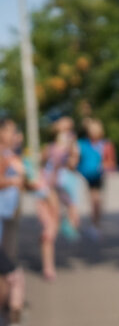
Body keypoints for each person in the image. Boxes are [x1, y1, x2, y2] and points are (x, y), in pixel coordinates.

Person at [0, 118, 26, 322]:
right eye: (10, 130)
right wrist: (14, 180)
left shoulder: (10, 153)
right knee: (8, 270)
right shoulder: (2, 154)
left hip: (8, 213)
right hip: (2, 213)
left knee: (8, 266)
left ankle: (11, 309)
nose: (14, 134)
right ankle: (10, 312)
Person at [42, 116, 82, 242]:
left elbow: (74, 159)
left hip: (63, 176)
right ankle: (60, 225)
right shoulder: (56, 142)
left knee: (71, 204)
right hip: (56, 177)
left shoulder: (70, 140)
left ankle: (66, 225)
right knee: (67, 204)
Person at [76, 118, 115, 239]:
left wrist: (104, 166)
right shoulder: (81, 143)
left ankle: (95, 224)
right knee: (86, 201)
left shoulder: (105, 144)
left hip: (97, 176)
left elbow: (111, 163)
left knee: (96, 200)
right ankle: (88, 224)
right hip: (83, 176)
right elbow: (75, 158)